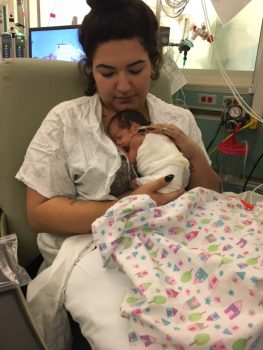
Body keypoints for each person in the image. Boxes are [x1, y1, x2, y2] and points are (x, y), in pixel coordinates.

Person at [15, 0, 221, 348]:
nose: (123, 86)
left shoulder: (176, 119)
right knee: (135, 337)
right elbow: (39, 212)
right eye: (107, 73)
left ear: (154, 65)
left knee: (218, 316)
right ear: (90, 69)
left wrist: (189, 147)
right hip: (91, 250)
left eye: (136, 69)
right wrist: (132, 204)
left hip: (172, 242)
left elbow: (213, 195)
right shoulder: (66, 121)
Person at [108, 109, 190, 192]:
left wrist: (122, 150)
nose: (118, 143)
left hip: (163, 175)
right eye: (115, 141)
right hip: (179, 173)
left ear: (135, 128)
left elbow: (131, 161)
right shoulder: (157, 133)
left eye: (119, 137)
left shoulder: (136, 140)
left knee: (134, 183)